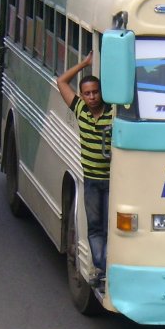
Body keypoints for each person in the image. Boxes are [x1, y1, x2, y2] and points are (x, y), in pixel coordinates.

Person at [57, 51, 112, 289]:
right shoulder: (79, 109)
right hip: (91, 180)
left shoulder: (113, 112)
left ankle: (110, 267)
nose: (91, 97)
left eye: (95, 92)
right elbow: (61, 81)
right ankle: (101, 267)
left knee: (111, 228)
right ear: (81, 95)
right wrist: (85, 64)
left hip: (112, 182)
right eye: (87, 93)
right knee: (95, 227)